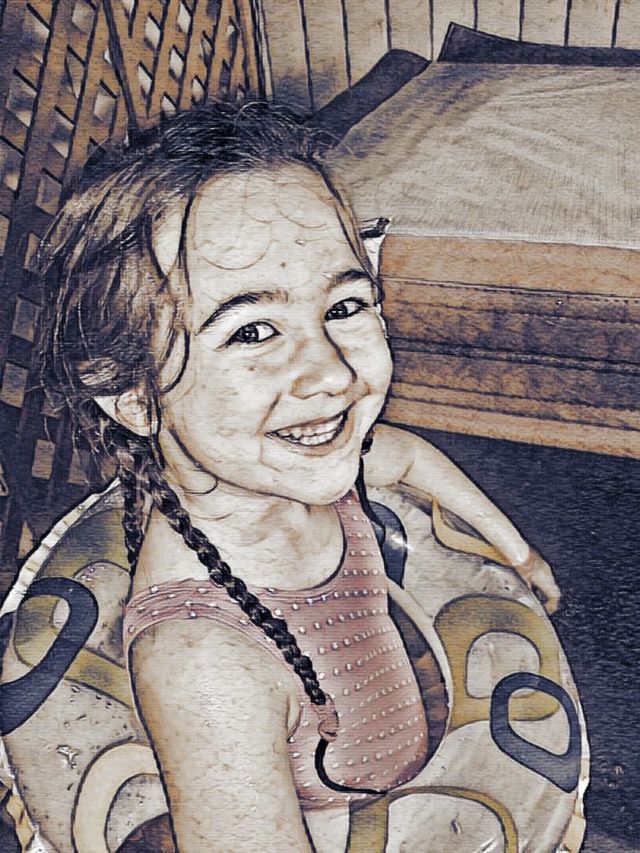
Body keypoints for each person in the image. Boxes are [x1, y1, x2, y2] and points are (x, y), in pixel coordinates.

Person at [38, 101, 560, 852]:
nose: (332, 373)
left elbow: (410, 455)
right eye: (252, 330)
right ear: (134, 397)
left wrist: (518, 553)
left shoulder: (309, 476)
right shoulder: (204, 664)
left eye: (344, 306)